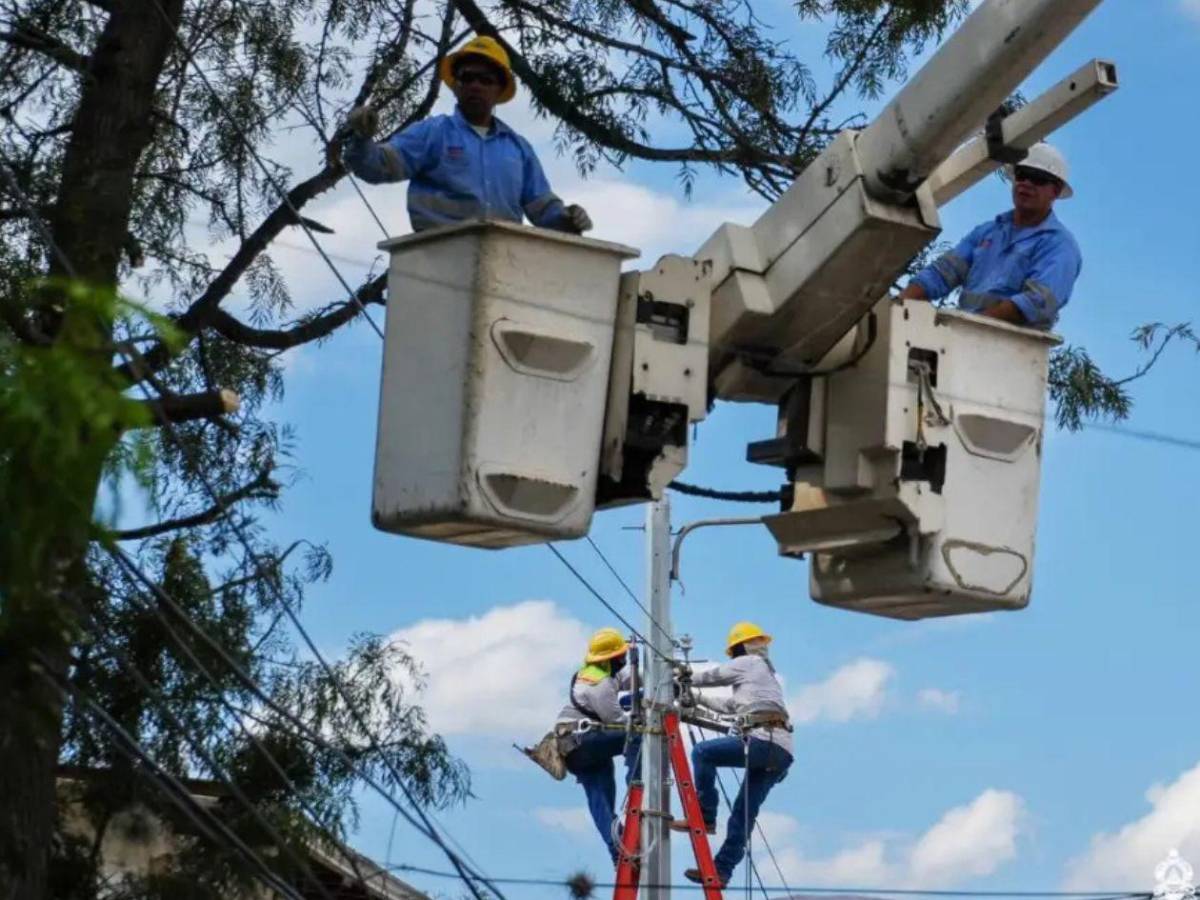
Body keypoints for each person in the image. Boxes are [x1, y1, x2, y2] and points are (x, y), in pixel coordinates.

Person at [339, 35, 592, 235]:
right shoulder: (433, 133)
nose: (475, 85)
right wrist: (362, 137)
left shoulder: (517, 148)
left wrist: (569, 219)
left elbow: (543, 210)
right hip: (439, 255)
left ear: (499, 89)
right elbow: (378, 166)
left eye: (485, 79)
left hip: (503, 261)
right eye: (467, 77)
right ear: (456, 85)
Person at [900, 142, 1082, 330]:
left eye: (1038, 178)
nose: (1026, 183)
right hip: (966, 337)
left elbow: (1035, 303)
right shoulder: (987, 232)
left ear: (1056, 190)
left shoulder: (1059, 245)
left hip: (1014, 347)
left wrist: (969, 328)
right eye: (1022, 174)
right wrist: (897, 306)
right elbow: (943, 272)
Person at [674, 621, 793, 888]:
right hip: (779, 751)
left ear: (740, 647)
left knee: (703, 753)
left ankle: (706, 815)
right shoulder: (761, 678)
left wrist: (679, 675)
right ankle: (722, 871)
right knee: (743, 814)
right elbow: (728, 706)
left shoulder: (750, 663)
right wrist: (694, 696)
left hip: (764, 741)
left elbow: (714, 675)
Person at [555, 627, 640, 863]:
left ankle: (618, 850)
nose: (623, 660)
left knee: (599, 799)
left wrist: (646, 671)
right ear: (613, 658)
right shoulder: (599, 684)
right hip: (583, 741)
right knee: (638, 736)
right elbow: (617, 721)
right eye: (621, 656)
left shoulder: (595, 672)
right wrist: (638, 712)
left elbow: (628, 679)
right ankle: (637, 784)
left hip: (575, 748)